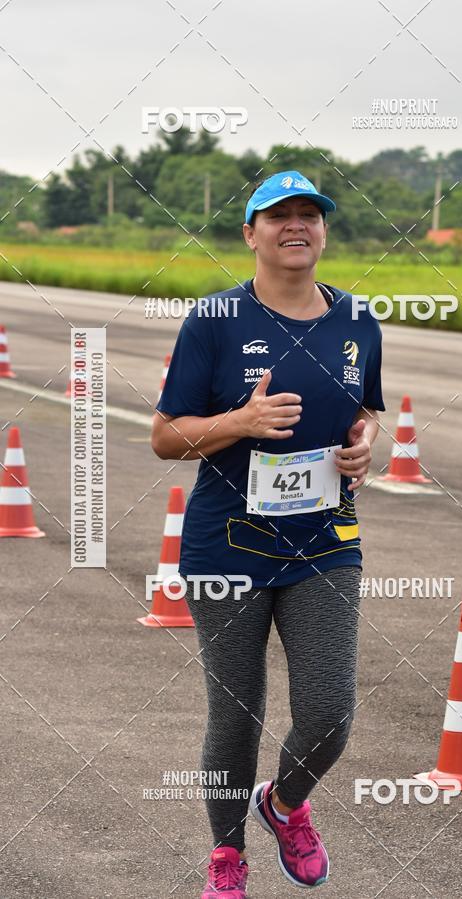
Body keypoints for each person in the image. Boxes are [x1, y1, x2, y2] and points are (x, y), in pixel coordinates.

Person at [151, 170, 385, 898]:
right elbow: (165, 437)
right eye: (277, 215)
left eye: (309, 214)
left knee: (329, 711)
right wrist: (240, 424)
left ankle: (282, 804)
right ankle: (227, 856)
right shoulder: (213, 320)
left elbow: (366, 408)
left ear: (323, 230)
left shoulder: (357, 320)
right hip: (228, 544)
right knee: (237, 710)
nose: (296, 225)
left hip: (324, 539)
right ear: (249, 233)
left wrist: (364, 441)